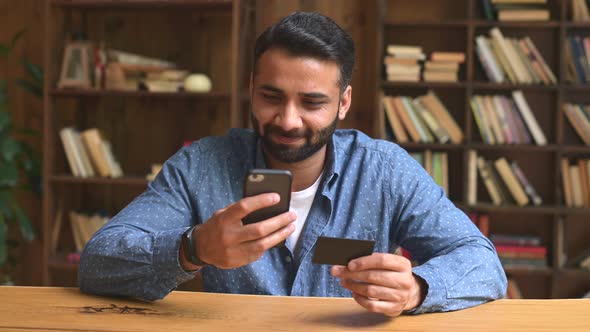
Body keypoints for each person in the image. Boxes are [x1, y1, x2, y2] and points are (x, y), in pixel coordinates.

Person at [79, 11, 506, 317]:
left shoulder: (385, 170)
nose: (287, 120)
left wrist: (416, 288)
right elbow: (98, 262)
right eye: (271, 96)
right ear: (251, 89)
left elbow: (483, 263)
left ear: (343, 104)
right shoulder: (200, 166)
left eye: (312, 102)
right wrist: (193, 248)